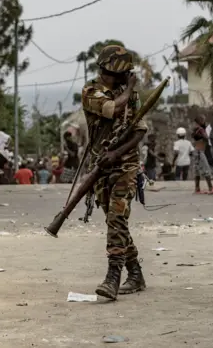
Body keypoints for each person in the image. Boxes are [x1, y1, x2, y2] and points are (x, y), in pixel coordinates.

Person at [80, 45, 148, 300]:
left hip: (126, 165)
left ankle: (113, 276)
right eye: (124, 73)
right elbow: (112, 109)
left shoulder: (130, 94)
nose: (129, 76)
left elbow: (140, 130)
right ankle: (136, 272)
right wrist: (129, 90)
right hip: (99, 167)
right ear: (110, 72)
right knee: (114, 221)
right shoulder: (91, 91)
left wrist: (118, 154)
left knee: (117, 217)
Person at [192, 115, 213, 195]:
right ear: (200, 121)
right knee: (206, 169)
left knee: (197, 170)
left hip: (197, 151)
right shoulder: (200, 129)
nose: (205, 122)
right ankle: (211, 188)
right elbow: (206, 138)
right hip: (200, 152)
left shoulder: (196, 129)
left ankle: (197, 188)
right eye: (203, 120)